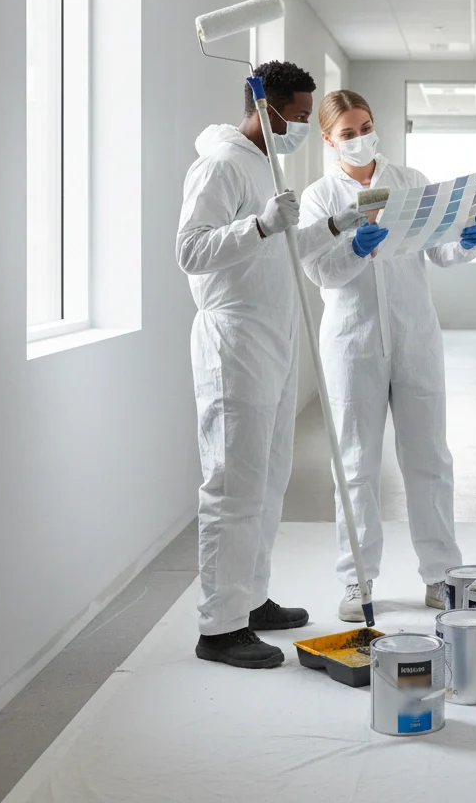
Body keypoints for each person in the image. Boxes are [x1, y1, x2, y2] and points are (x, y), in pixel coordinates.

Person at [176, 61, 362, 668]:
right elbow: (191, 249)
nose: (305, 128)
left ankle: (249, 600)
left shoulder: (267, 164)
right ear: (267, 107)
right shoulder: (222, 164)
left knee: (269, 475)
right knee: (233, 483)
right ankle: (218, 627)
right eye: (301, 117)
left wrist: (333, 225)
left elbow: (284, 245)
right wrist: (257, 224)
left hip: (274, 336)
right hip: (234, 339)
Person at [298, 90, 476, 622]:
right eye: (348, 132)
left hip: (415, 336)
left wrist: (467, 240)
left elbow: (441, 251)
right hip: (351, 343)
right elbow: (320, 273)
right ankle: (357, 581)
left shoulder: (409, 182)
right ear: (329, 139)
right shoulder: (318, 198)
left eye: (366, 126)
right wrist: (355, 248)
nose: (360, 138)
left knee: (430, 457)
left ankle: (442, 575)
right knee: (355, 464)